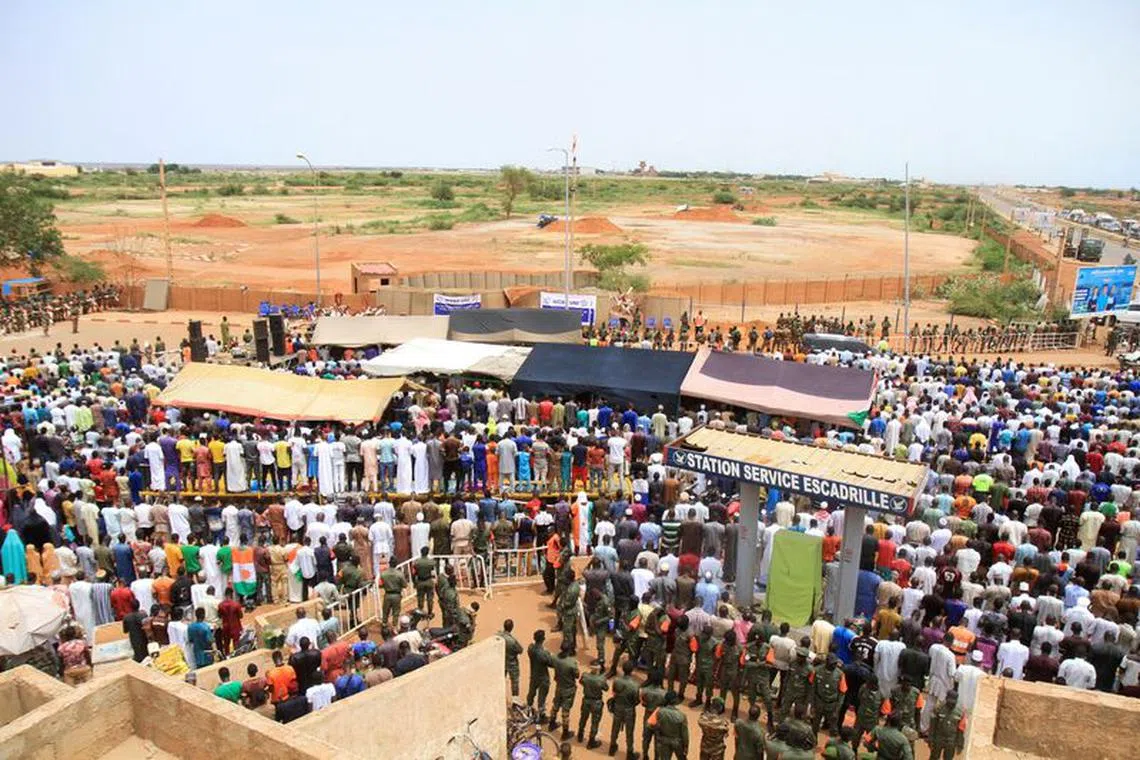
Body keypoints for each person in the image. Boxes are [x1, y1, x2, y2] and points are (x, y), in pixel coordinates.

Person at [609, 657, 640, 758]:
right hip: (629, 709)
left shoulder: (616, 680)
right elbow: (636, 700)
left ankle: (612, 747)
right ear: (632, 670)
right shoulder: (635, 685)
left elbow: (614, 693)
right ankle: (629, 752)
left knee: (615, 728)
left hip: (618, 707)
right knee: (629, 731)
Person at [927, 690, 967, 759]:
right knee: (934, 757)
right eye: (950, 701)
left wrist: (960, 744)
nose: (951, 704)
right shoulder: (938, 708)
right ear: (946, 698)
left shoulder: (960, 712)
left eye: (953, 702)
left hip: (951, 741)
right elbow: (932, 725)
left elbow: (961, 730)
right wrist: (930, 739)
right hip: (938, 739)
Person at [577, 663, 607, 750]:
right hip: (596, 702)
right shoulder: (601, 679)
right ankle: (591, 741)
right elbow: (606, 688)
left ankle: (580, 734)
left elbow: (581, 682)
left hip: (586, 700)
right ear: (598, 669)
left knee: (583, 717)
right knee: (595, 722)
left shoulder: (585, 676)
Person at [698, 696, 730, 760]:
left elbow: (700, 722)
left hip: (705, 747)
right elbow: (726, 734)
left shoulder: (702, 718)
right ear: (721, 708)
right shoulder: (723, 723)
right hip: (717, 750)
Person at [498, 618, 524, 698]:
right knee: (514, 681)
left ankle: (500, 696)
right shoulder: (512, 641)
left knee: (501, 679)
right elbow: (520, 650)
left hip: (502, 661)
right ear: (512, 627)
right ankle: (515, 700)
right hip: (512, 664)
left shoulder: (498, 635)